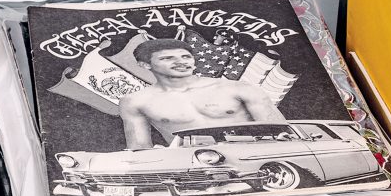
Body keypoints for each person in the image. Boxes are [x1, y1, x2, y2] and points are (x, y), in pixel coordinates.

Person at [119, 38, 287, 149]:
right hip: (192, 166)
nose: (181, 62)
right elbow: (139, 150)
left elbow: (283, 135)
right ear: (145, 65)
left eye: (186, 57)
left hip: (253, 159)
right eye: (167, 58)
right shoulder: (135, 101)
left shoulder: (239, 88)